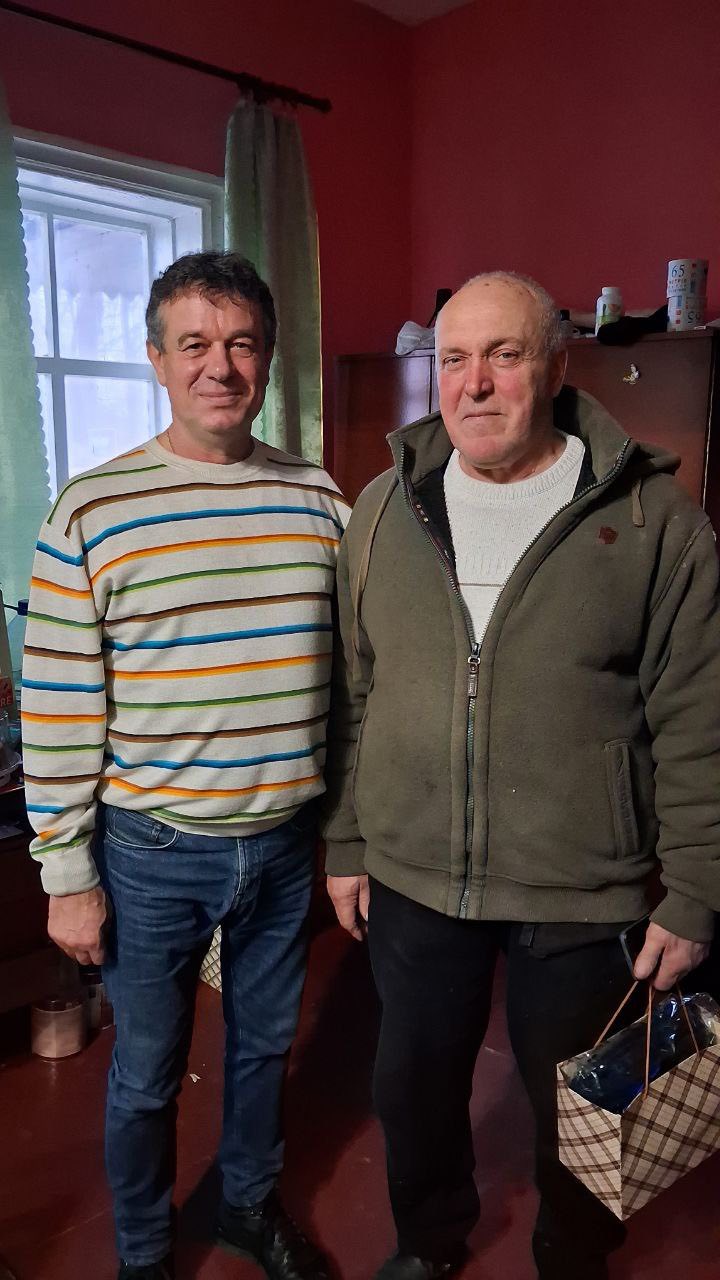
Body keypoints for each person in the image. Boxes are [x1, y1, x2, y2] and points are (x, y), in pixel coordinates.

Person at [322, 271, 720, 1280]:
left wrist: (695, 893)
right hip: (413, 872)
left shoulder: (653, 520)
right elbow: (356, 691)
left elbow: (698, 719)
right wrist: (348, 840)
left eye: (504, 355)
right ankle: (427, 1242)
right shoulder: (382, 509)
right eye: (454, 358)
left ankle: (572, 1257)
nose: (475, 383)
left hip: (581, 882)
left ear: (554, 366)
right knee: (412, 1089)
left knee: (583, 1108)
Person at [22, 251, 350, 1280]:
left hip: (285, 842)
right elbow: (60, 702)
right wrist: (66, 872)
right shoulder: (92, 510)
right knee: (147, 1072)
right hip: (151, 851)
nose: (221, 365)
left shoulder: (318, 498)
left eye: (242, 342)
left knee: (263, 1050)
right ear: (157, 358)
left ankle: (248, 1205)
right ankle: (144, 1251)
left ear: (269, 358)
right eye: (195, 343)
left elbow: (353, 675)